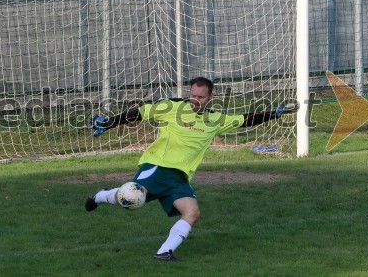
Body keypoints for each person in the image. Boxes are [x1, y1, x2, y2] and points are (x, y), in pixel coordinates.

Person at [84, 77, 298, 262]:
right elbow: (140, 112)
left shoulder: (215, 120)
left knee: (192, 212)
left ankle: (164, 252)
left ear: (210, 97)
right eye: (193, 95)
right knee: (129, 198)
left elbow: (245, 120)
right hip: (158, 165)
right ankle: (100, 196)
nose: (195, 100)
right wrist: (110, 123)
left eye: (201, 97)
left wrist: (276, 113)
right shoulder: (172, 108)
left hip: (179, 178)